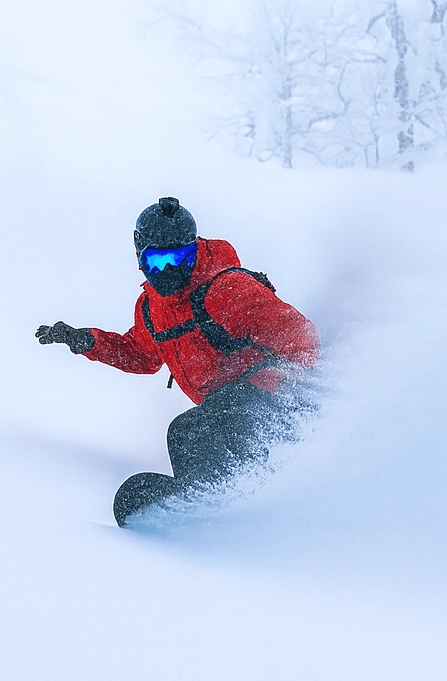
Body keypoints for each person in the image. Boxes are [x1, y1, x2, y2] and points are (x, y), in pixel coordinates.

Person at [37, 196, 319, 526]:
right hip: (226, 404)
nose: (170, 270)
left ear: (195, 250)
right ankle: (203, 500)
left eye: (182, 258)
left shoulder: (226, 289)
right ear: (141, 259)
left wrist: (292, 384)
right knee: (190, 432)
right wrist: (88, 341)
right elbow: (141, 355)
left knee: (187, 430)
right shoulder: (152, 309)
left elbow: (299, 334)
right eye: (159, 261)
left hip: (273, 396)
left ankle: (218, 502)